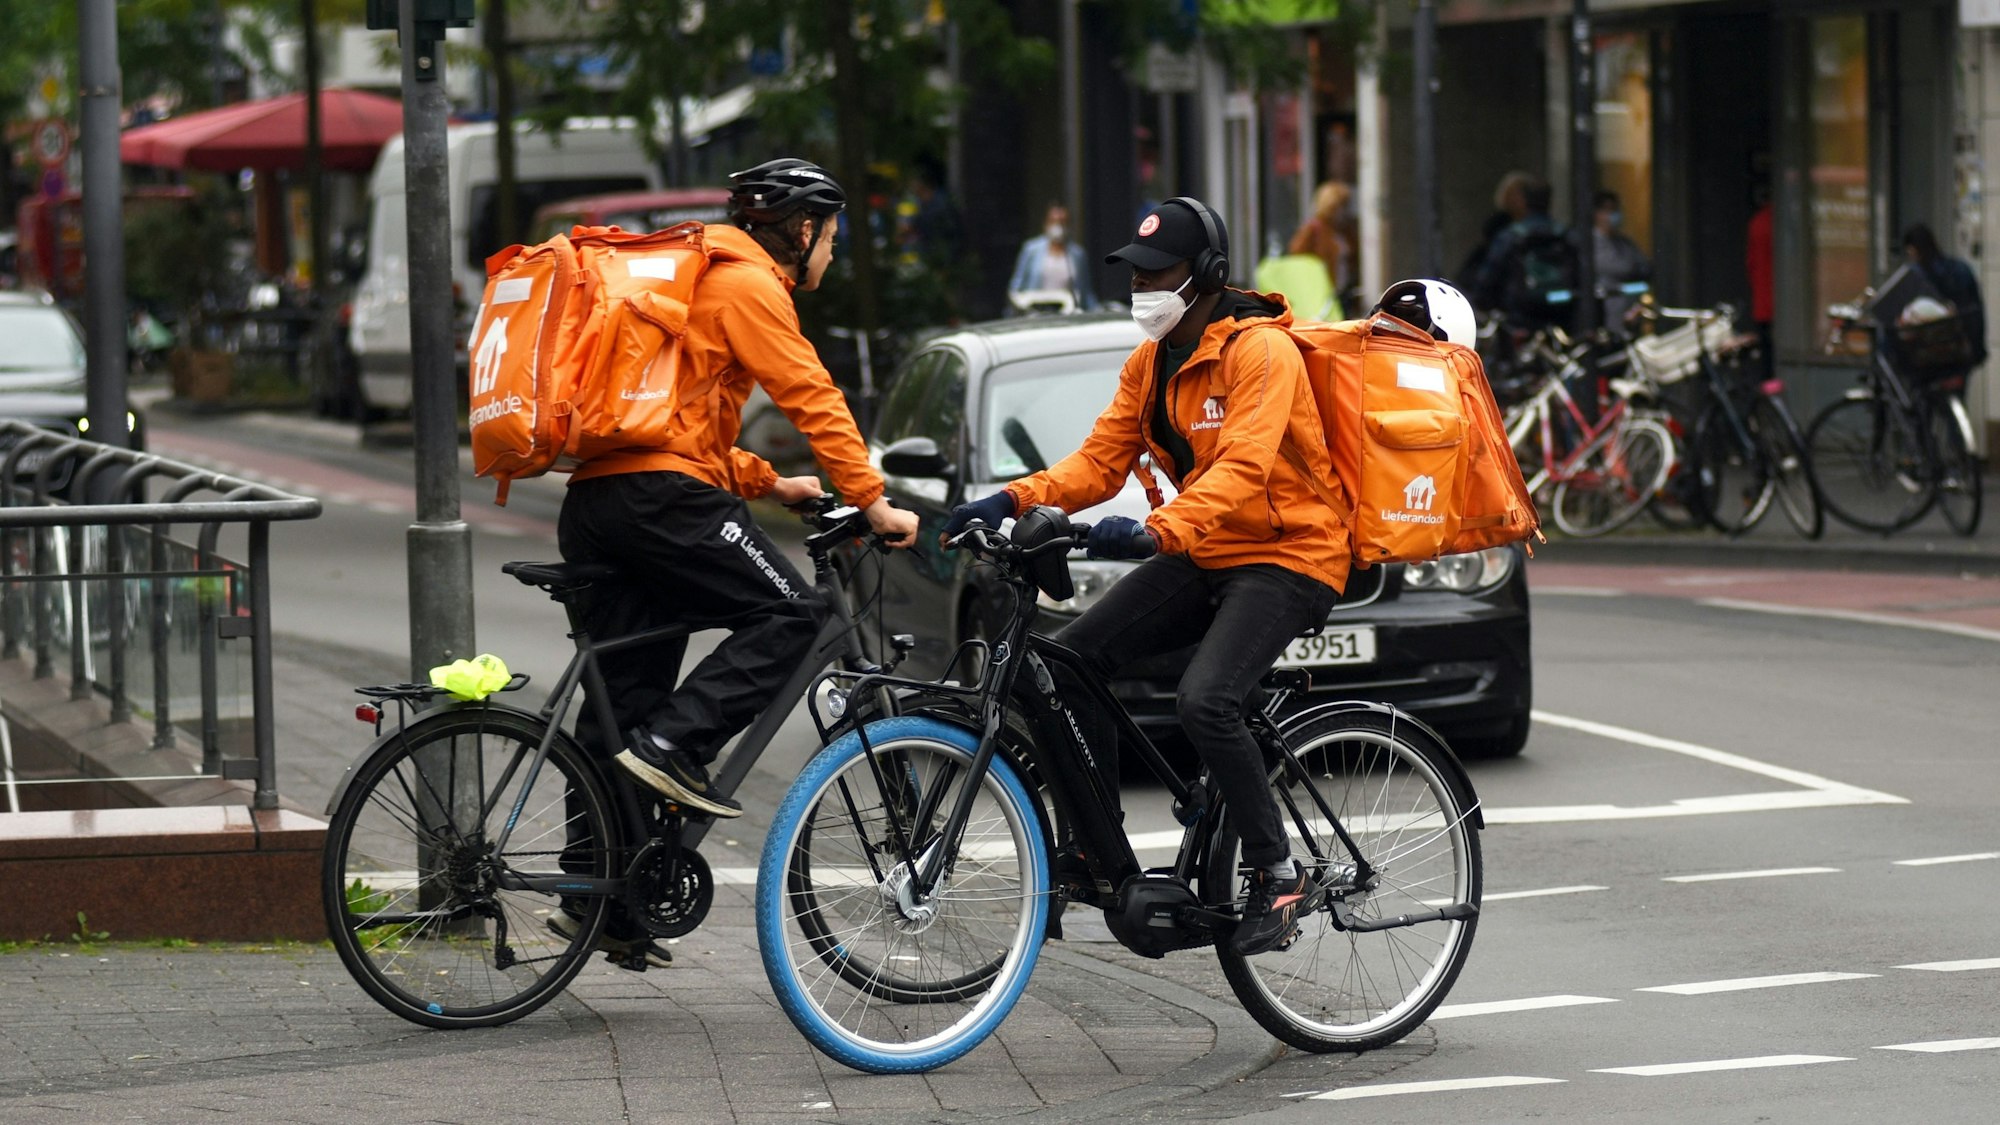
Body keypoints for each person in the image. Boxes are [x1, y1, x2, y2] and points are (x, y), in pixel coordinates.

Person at [942, 197, 1351, 957]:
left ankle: (1277, 869)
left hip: (1291, 551)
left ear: (1207, 276)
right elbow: (1098, 462)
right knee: (1067, 662)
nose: (1143, 289)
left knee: (1207, 697)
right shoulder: (1150, 362)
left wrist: (1157, 529)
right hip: (1209, 549)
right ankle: (1098, 849)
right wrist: (1008, 499)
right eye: (1135, 274)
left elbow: (1244, 467)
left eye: (1159, 274)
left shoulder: (1263, 353)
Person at [560, 156, 921, 823]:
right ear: (804, 229)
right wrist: (872, 499)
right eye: (834, 239)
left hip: (598, 500)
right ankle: (676, 744)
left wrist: (771, 480)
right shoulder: (748, 284)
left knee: (622, 705)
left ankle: (597, 895)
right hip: (663, 502)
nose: (833, 254)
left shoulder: (695, 280)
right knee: (792, 616)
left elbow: (676, 431)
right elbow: (811, 395)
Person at [1472, 174, 1575, 329]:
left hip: (1520, 316)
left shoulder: (1511, 236)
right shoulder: (1564, 234)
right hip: (1561, 314)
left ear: (1524, 200)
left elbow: (1487, 278)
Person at [1898, 223, 1987, 375]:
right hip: (1962, 351)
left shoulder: (1915, 276)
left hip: (1927, 355)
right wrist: (1977, 349)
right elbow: (1976, 311)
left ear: (1914, 250)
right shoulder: (1961, 270)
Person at [1008, 203, 1098, 312]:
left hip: (1067, 312)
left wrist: (1095, 311)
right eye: (1053, 221)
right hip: (1035, 311)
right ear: (1046, 223)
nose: (1058, 226)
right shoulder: (1031, 250)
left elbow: (1085, 291)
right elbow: (1017, 286)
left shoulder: (1077, 254)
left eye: (1062, 222)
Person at [1581, 189, 1650, 326]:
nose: (1612, 215)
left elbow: (1644, 267)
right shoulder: (1588, 243)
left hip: (1628, 314)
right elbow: (1618, 267)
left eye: (1615, 210)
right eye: (1607, 210)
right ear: (1597, 214)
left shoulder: (1625, 243)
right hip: (1604, 314)